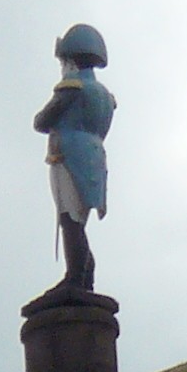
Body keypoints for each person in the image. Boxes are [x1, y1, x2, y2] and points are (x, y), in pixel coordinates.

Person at [33, 23, 115, 293]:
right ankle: (83, 274)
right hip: (94, 156)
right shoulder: (105, 96)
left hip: (68, 154)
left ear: (70, 59)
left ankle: (75, 275)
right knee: (77, 220)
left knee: (70, 219)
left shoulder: (72, 87)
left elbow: (43, 121)